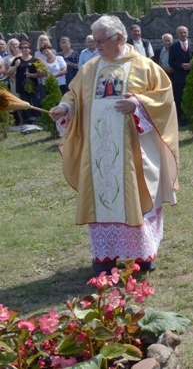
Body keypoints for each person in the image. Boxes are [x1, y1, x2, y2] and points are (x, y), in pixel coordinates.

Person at [49, 15, 179, 275]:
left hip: (134, 151)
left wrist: (138, 104)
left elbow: (164, 99)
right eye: (94, 40)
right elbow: (73, 94)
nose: (96, 45)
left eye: (101, 40)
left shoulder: (145, 66)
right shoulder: (90, 68)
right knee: (103, 195)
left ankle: (142, 256)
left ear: (119, 37)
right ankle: (105, 258)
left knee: (136, 192)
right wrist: (65, 108)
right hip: (97, 152)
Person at [168, 26, 193, 124]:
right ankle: (182, 119)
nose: (183, 34)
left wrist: (192, 65)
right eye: (181, 32)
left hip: (192, 76)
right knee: (180, 98)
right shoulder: (173, 47)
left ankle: (192, 117)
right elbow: (171, 62)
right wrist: (181, 65)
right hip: (179, 77)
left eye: (184, 32)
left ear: (188, 33)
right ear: (177, 34)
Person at [7, 42, 40, 123]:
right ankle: (30, 120)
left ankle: (40, 119)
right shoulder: (16, 60)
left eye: (26, 47)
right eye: (21, 48)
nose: (24, 49)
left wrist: (31, 75)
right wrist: (16, 66)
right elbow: (9, 73)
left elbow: (41, 74)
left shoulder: (35, 60)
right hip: (21, 86)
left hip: (33, 85)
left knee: (36, 102)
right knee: (25, 104)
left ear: (30, 49)